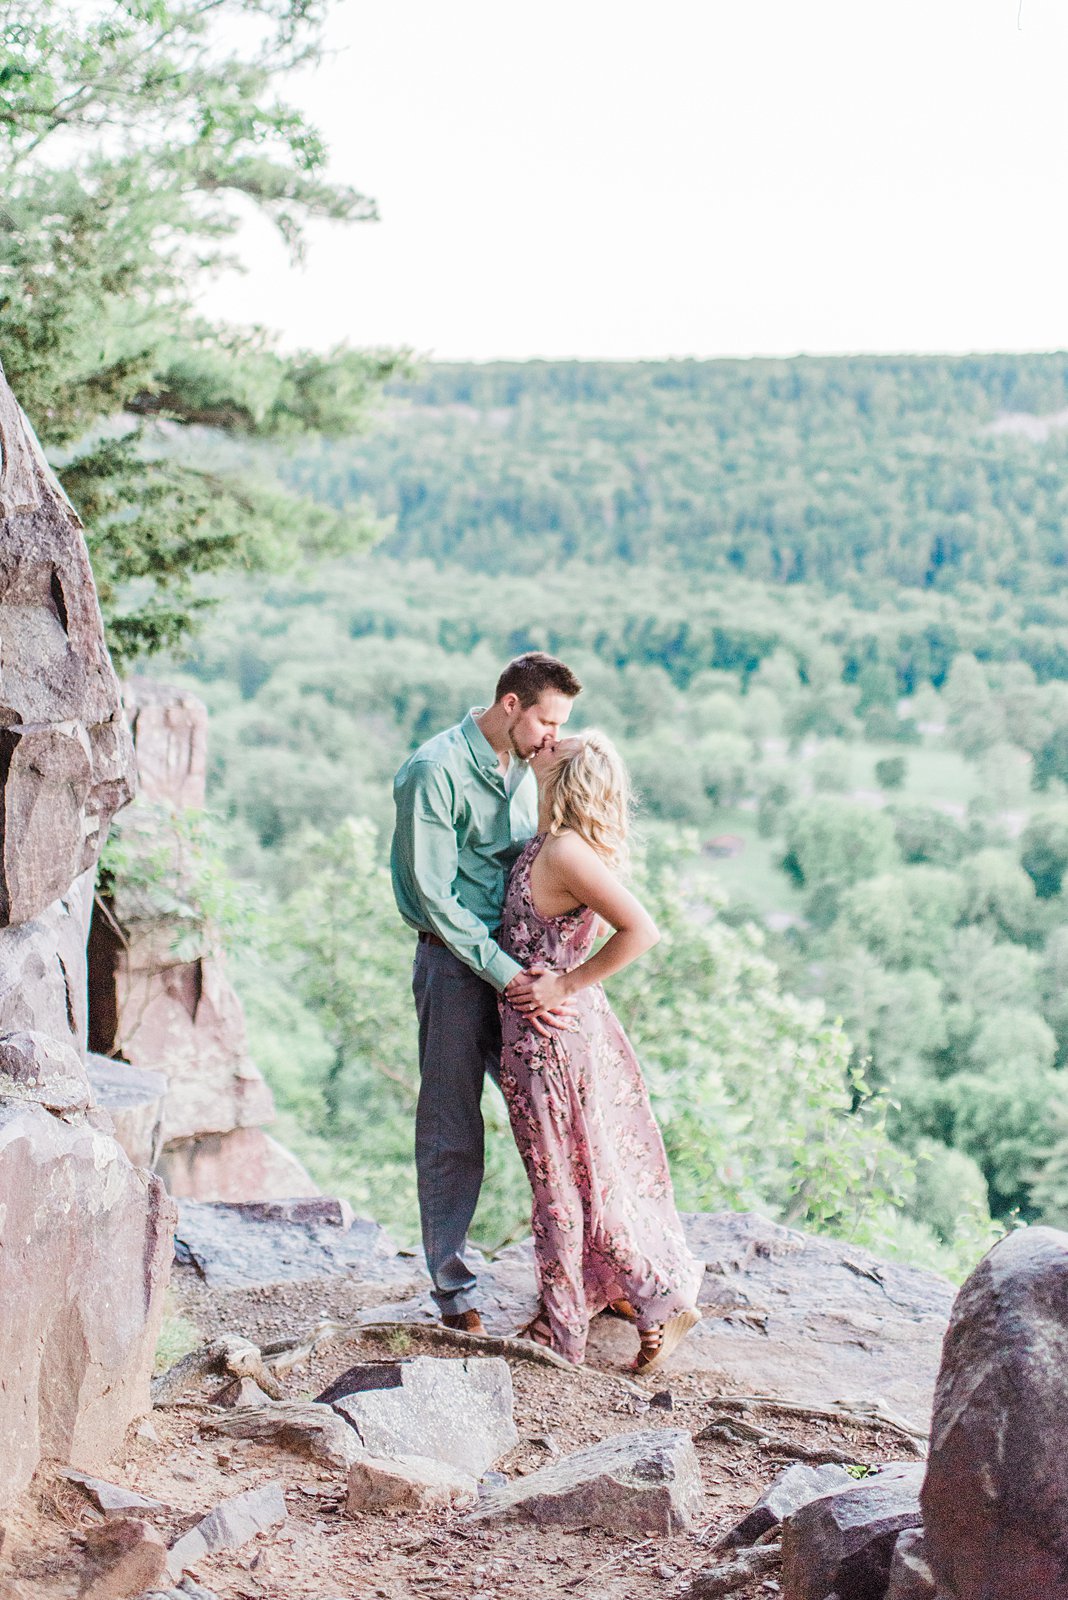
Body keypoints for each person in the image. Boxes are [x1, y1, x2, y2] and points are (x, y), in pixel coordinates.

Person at [499, 730, 704, 1370]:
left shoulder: (563, 851)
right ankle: (593, 1301)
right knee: (575, 1173)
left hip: (551, 1040)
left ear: (572, 771)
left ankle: (611, 1317)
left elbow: (642, 930)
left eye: (565, 742)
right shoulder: (550, 842)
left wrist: (565, 980)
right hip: (545, 1034)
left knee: (563, 1182)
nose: (551, 738)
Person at [390, 652, 583, 1331]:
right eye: (547, 721)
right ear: (510, 706)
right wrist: (510, 976)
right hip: (455, 968)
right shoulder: (433, 772)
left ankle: (589, 1274)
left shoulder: (526, 769)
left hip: (522, 969)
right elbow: (435, 900)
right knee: (452, 1127)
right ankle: (455, 1294)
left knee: (556, 1113)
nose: (553, 737)